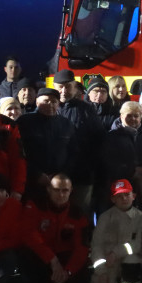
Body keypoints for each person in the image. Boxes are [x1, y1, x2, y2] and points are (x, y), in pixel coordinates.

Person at [23, 174, 90, 283]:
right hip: (42, 256)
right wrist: (52, 260)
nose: (61, 194)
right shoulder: (35, 206)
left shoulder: (78, 214)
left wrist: (68, 271)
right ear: (49, 190)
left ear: (71, 191)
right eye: (56, 190)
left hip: (65, 260)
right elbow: (30, 235)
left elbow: (82, 247)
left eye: (65, 190)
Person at [91, 179, 142, 283]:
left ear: (133, 196)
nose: (124, 199)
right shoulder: (105, 217)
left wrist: (116, 252)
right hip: (108, 262)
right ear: (113, 199)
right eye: (119, 196)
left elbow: (139, 244)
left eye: (127, 195)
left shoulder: (141, 217)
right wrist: (101, 272)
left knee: (132, 260)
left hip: (128, 259)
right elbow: (97, 245)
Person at [53, 69, 102, 212]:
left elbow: (98, 139)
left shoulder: (86, 110)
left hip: (81, 174)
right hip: (55, 175)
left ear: (74, 87)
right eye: (60, 87)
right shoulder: (49, 107)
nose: (63, 91)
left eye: (67, 86)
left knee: (80, 213)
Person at [18, 88, 77, 204]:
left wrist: (61, 175)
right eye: (46, 101)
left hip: (59, 184)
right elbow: (19, 152)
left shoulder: (66, 124)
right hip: (31, 182)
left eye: (54, 101)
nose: (50, 104)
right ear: (37, 102)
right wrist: (36, 175)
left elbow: (74, 152)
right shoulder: (25, 122)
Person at [101, 100, 142, 212]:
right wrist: (131, 171)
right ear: (121, 116)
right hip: (120, 184)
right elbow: (108, 160)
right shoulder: (112, 136)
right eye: (129, 116)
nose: (133, 119)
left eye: (136, 116)